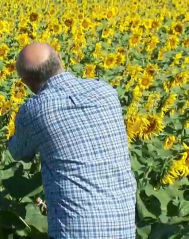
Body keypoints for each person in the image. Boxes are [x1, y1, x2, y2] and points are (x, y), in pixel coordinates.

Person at [7, 42, 137, 239]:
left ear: (26, 82)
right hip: (123, 226)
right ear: (59, 57)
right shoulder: (106, 91)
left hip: (75, 230)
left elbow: (18, 152)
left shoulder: (34, 111)